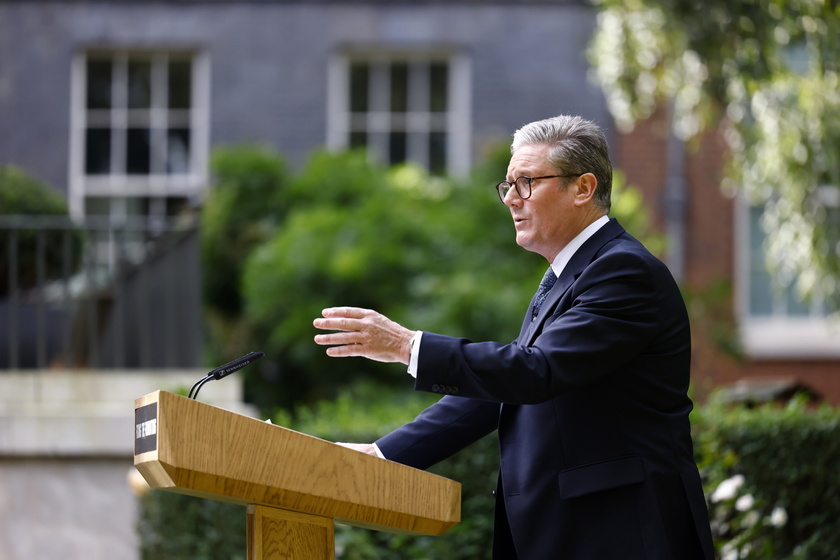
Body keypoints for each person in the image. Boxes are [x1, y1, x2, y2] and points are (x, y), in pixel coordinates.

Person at [313, 115, 714, 560]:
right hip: (577, 529)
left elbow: (534, 373)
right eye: (507, 186)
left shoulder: (623, 271)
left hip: (620, 530)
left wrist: (408, 346)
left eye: (525, 183)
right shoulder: (568, 275)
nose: (510, 200)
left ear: (582, 188)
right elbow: (504, 392)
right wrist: (383, 455)